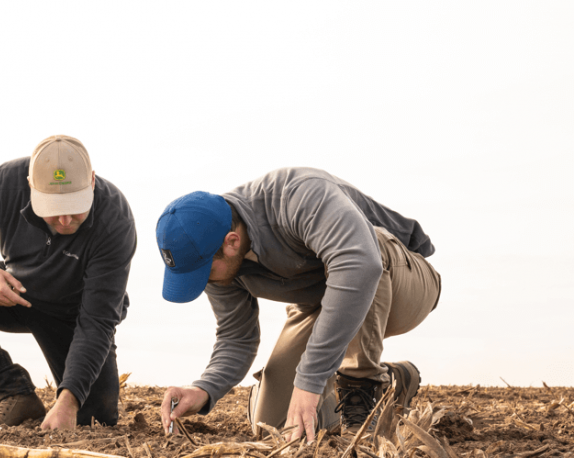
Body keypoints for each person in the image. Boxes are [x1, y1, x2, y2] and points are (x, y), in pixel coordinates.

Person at [155, 167, 441, 443]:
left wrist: (310, 379)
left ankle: (363, 384)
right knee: (275, 427)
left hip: (405, 281)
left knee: (360, 253)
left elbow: (361, 266)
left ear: (231, 242)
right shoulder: (216, 259)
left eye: (204, 273)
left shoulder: (298, 196)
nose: (204, 282)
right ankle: (391, 383)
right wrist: (203, 389)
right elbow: (236, 337)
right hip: (319, 301)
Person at [0, 135, 136, 430]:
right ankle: (14, 391)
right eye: (52, 206)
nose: (63, 220)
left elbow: (97, 321)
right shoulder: (5, 184)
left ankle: (74, 402)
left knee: (95, 420)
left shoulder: (115, 220)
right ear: (30, 186)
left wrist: (69, 401)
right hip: (19, 294)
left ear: (92, 182)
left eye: (75, 206)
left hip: (76, 315)